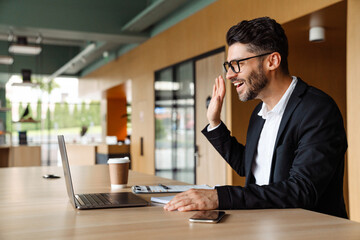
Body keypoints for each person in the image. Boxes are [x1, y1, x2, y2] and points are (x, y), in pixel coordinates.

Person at [164, 17, 348, 218]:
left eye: (237, 64)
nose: (230, 75)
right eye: (229, 66)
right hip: (264, 226)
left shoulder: (317, 110)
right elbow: (248, 165)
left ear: (272, 61)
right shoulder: (259, 114)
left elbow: (302, 190)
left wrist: (219, 196)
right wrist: (215, 123)